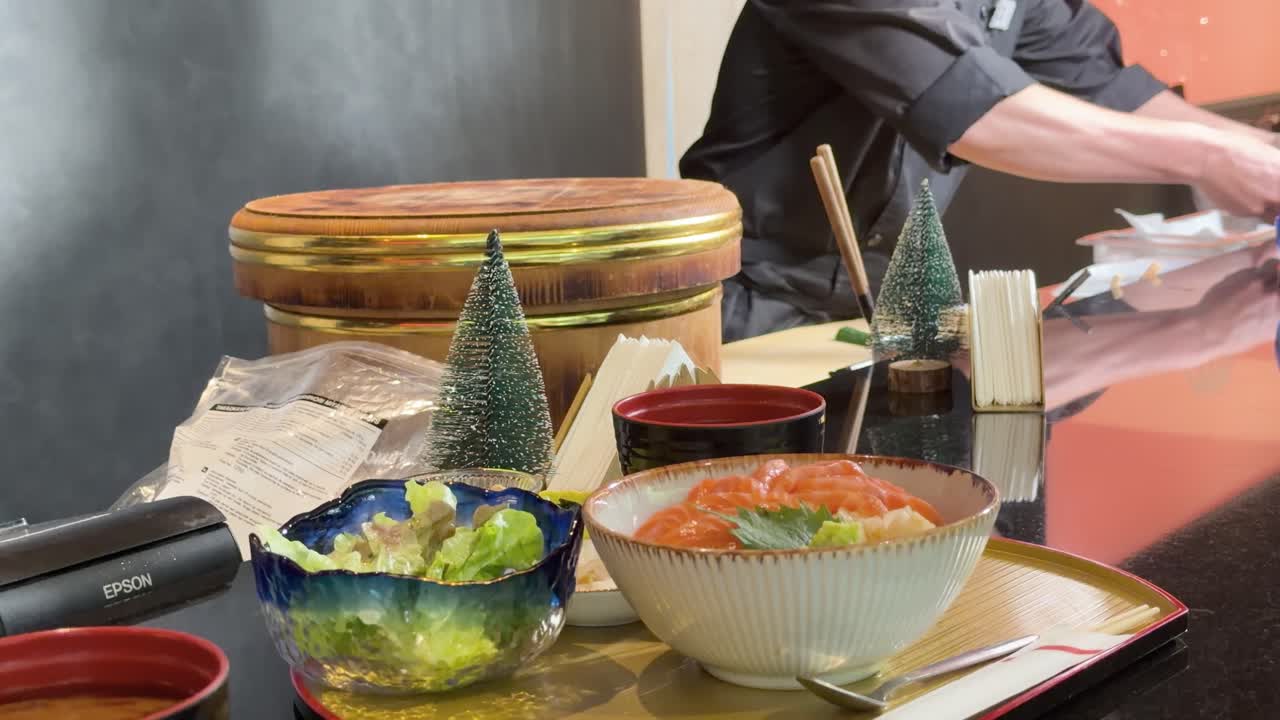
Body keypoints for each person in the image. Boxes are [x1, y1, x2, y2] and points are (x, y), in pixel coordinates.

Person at [681, 0, 1280, 341]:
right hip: (740, 306)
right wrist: (1213, 158)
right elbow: (980, 115)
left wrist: (1258, 154)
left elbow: (1114, 92)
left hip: (875, 314)